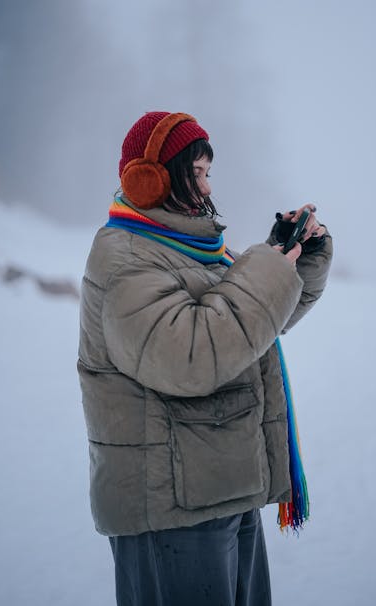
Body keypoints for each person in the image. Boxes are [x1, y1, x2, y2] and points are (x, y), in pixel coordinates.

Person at [77, 111, 333, 606]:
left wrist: (296, 255)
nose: (207, 188)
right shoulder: (126, 259)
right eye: (196, 174)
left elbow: (253, 326)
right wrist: (264, 271)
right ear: (151, 180)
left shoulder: (191, 248)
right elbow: (195, 355)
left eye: (208, 174)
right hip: (170, 510)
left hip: (222, 487)